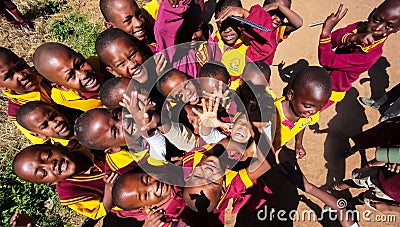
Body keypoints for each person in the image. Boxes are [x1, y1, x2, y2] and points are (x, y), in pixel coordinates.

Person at [319, 1, 400, 110]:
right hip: (323, 76)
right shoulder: (360, 26)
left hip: (330, 90)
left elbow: (326, 60)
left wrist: (325, 32)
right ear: (371, 13)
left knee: (303, 116)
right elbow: (332, 40)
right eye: (376, 20)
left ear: (396, 30)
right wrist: (353, 37)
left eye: (388, 26)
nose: (378, 28)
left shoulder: (369, 55)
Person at [12, 144, 125, 219]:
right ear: (52, 183)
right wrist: (109, 188)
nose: (51, 165)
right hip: (132, 197)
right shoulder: (69, 193)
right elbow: (101, 210)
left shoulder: (84, 142)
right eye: (44, 173)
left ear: (59, 146)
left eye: (48, 155)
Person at [214, 0, 302, 79]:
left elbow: (298, 23)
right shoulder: (250, 29)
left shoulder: (276, 32)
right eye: (274, 12)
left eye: (282, 15)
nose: (277, 19)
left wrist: (278, 6)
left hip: (258, 77)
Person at [273, 66, 331, 159]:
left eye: (320, 106)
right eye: (308, 106)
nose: (314, 111)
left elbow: (302, 124)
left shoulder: (306, 114)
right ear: (291, 95)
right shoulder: (271, 115)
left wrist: (298, 143)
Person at [0, 47, 54, 144]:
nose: (22, 76)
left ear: (24, 61)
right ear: (1, 86)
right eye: (9, 76)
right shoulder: (17, 111)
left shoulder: (48, 73)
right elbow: (43, 142)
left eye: (20, 66)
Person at [32, 42, 104, 111]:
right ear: (61, 87)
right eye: (71, 76)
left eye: (80, 64)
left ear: (81, 56)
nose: (83, 75)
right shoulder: (62, 98)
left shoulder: (103, 64)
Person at [111, 169, 186, 227]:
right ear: (146, 207)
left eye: (146, 180)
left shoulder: (168, 169)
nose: (154, 186)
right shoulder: (163, 219)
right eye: (146, 195)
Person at [334, 166, 400, 213]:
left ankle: (336, 189)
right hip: (389, 184)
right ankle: (347, 202)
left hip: (387, 178)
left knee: (358, 181)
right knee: (365, 196)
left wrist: (389, 207)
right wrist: (389, 207)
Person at [15, 101, 82, 146]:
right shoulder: (64, 151)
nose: (55, 124)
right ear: (38, 135)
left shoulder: (83, 116)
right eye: (44, 126)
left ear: (56, 109)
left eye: (53, 116)